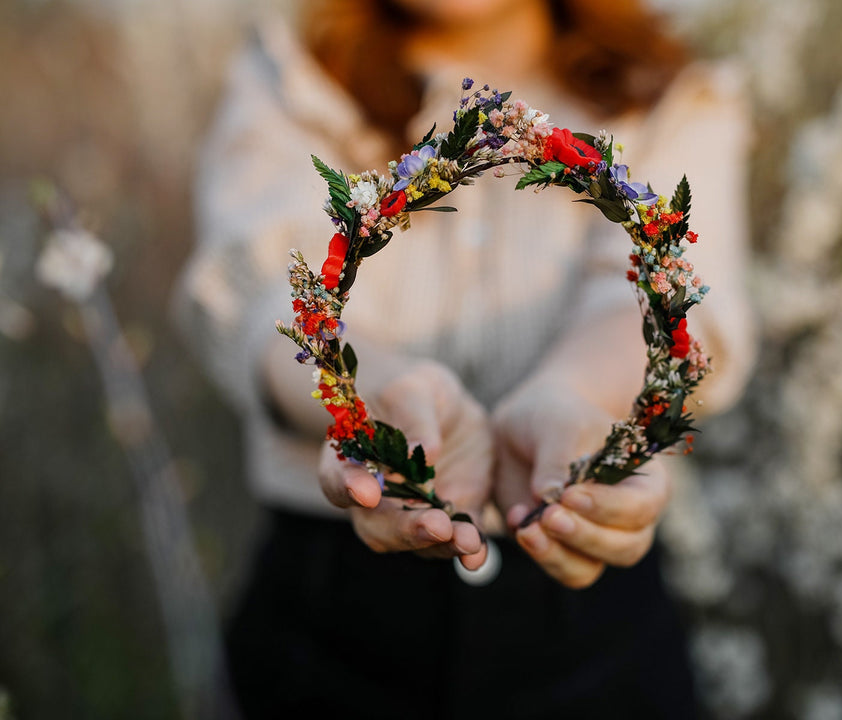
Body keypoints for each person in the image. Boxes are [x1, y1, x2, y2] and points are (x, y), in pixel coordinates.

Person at [176, 0, 755, 716]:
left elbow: (667, 297)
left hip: (594, 626)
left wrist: (575, 397)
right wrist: (375, 398)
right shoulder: (294, 81)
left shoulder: (664, 95)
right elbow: (255, 292)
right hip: (329, 623)